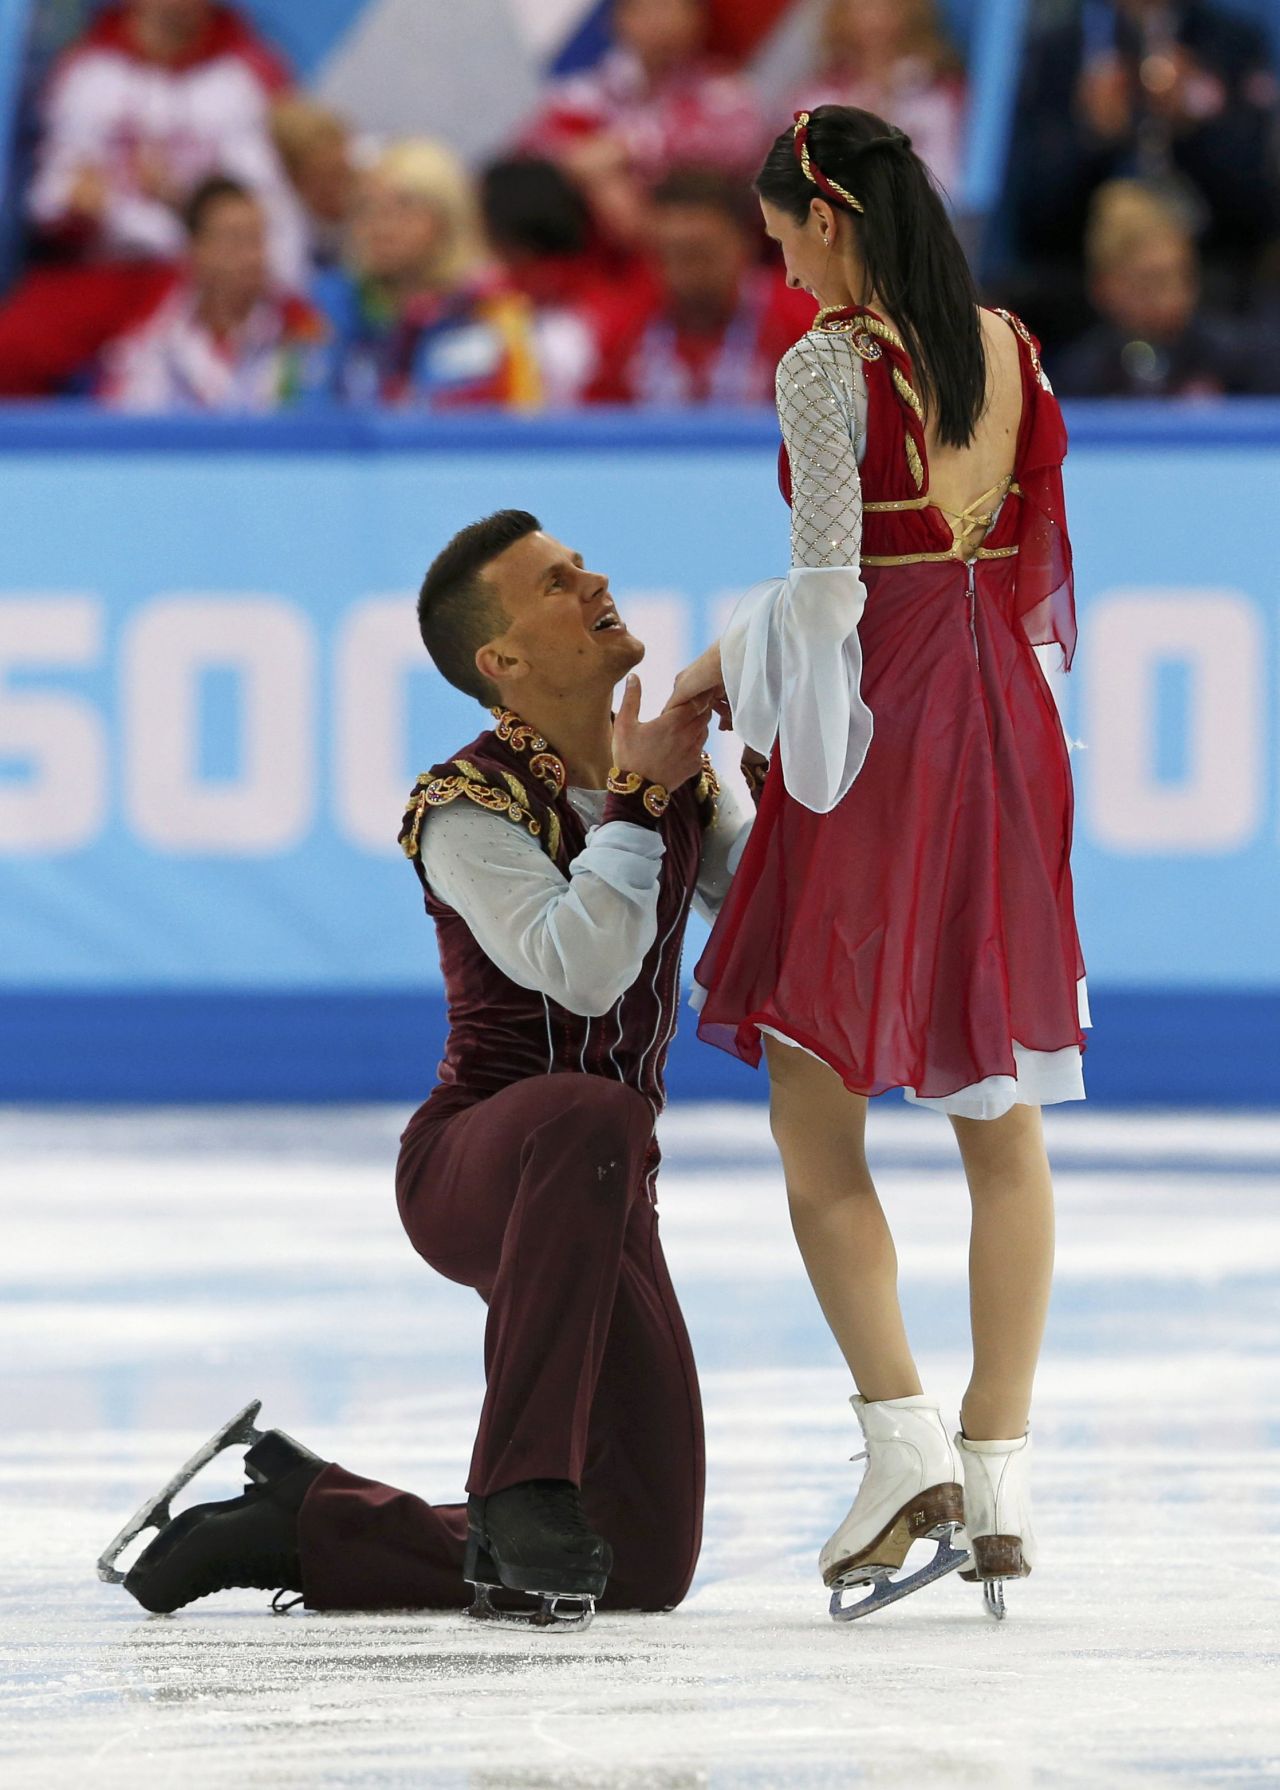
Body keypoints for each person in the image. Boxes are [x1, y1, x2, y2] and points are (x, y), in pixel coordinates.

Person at [109, 510, 756, 1624]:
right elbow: (584, 971)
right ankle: (517, 1487)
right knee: (590, 1111)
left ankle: (301, 1516)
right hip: (479, 1161)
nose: (592, 577)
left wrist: (782, 761)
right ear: (499, 662)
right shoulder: (467, 803)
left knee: (638, 1560)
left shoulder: (679, 777)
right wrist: (642, 802)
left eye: (579, 561)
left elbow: (771, 936)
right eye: (556, 582)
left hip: (601, 1187)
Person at [669, 106, 1087, 1620]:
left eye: (779, 228)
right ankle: (999, 1464)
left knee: (810, 1091)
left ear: (827, 215)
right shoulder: (1010, 345)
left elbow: (828, 594)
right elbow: (1031, 568)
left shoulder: (829, 365)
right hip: (1002, 721)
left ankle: (899, 1434)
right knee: (998, 1099)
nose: (774, 259)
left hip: (890, 721)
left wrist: (708, 681)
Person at [1008, 0, 1280, 346]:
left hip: (1213, 268)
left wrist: (1192, 126)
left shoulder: (1229, 42)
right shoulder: (1058, 50)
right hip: (1084, 278)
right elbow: (1035, 216)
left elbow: (1258, 207)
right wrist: (1094, 137)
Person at [27, 0, 305, 286]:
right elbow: (49, 199)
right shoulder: (89, 75)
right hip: (99, 274)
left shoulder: (238, 81)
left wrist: (176, 202)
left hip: (204, 284)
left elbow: (269, 206)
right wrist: (78, 210)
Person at [317, 139, 543, 409]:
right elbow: (298, 416)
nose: (381, 224)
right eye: (366, 207)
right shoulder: (323, 310)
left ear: (450, 216)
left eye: (404, 206)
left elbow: (516, 425)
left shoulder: (492, 314)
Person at [587, 165, 814, 406]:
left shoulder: (800, 325)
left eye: (699, 254)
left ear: (746, 244)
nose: (680, 273)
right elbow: (599, 427)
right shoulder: (625, 330)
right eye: (665, 256)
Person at [99, 175, 329, 412]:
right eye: (235, 240)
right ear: (195, 251)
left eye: (257, 239)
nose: (252, 257)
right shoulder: (152, 345)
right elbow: (127, 432)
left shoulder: (298, 334)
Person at [1054, 179, 1273, 397]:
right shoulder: (1079, 377)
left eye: (1183, 277)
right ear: (1104, 288)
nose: (1173, 296)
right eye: (1151, 283)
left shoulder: (1240, 359)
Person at [525, 0, 762, 188]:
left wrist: (626, 149)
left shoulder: (722, 87)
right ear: (618, 19)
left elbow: (740, 146)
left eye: (674, 7)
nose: (662, 22)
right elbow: (537, 151)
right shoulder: (586, 90)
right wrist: (606, 181)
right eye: (647, 9)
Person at [788, 0, 967, 197]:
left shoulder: (938, 95)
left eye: (888, 6)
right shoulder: (819, 95)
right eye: (863, 6)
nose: (875, 19)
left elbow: (948, 180)